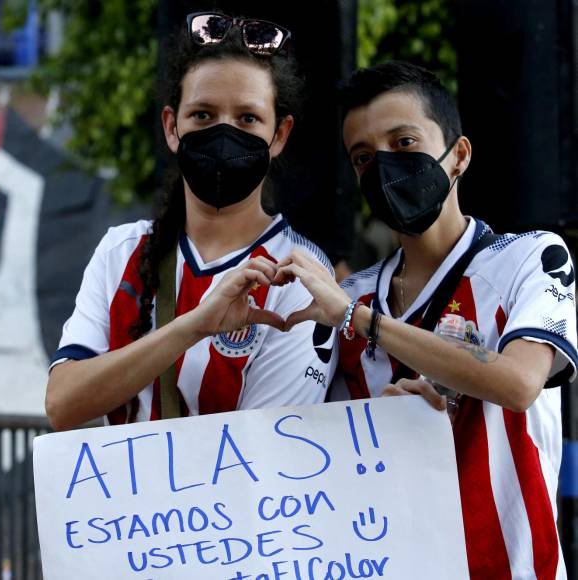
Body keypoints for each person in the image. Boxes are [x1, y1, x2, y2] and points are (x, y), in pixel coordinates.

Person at [277, 61, 577, 579]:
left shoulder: (532, 258)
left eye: (405, 144)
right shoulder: (345, 297)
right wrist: (378, 430)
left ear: (458, 155)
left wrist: (361, 319)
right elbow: (316, 464)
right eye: (364, 158)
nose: (385, 169)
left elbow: (519, 382)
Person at [45, 12, 337, 431]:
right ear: (171, 126)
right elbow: (62, 404)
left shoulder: (300, 276)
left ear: (279, 136)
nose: (223, 132)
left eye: (247, 119)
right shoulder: (121, 251)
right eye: (202, 114)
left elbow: (267, 455)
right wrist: (194, 327)